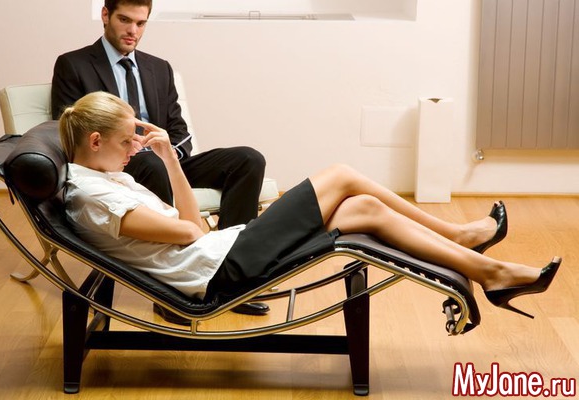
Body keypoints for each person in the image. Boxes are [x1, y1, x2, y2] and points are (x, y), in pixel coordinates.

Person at [59, 91, 562, 323]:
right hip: (219, 269)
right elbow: (191, 232)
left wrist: (170, 158)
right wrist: (194, 225)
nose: (135, 148)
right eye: (127, 141)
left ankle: (488, 271)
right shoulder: (93, 197)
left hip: (221, 250)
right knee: (341, 175)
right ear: (96, 140)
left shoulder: (109, 178)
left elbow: (191, 225)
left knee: (363, 208)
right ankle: (460, 238)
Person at [51, 0, 269, 321]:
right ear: (105, 15)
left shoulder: (159, 68)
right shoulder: (74, 64)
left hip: (161, 158)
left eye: (141, 23)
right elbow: (69, 129)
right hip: (115, 165)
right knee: (150, 165)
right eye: (125, 20)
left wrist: (168, 155)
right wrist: (132, 149)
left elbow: (179, 130)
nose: (133, 30)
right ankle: (169, 294)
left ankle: (230, 272)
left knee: (248, 159)